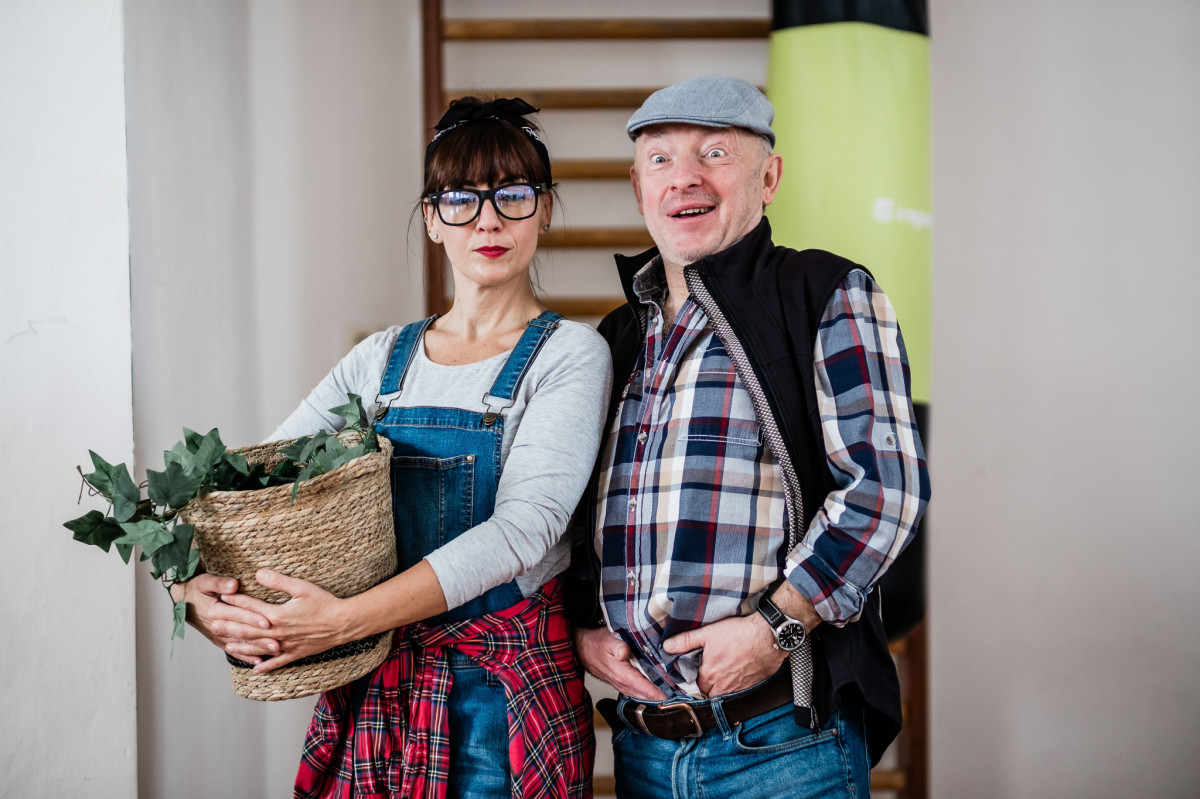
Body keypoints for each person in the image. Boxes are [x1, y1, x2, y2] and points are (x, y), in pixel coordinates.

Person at [175, 96, 612, 799]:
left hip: (497, 698)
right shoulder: (381, 359)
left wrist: (344, 620)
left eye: (513, 194)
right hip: (375, 682)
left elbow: (524, 530)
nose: (489, 220)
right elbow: (254, 490)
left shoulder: (569, 354)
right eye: (461, 199)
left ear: (546, 209)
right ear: (433, 219)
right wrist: (194, 591)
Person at [568, 75, 931, 798]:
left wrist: (776, 628)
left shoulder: (825, 292)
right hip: (642, 751)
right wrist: (582, 628)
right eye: (661, 159)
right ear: (639, 188)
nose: (685, 177)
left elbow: (885, 491)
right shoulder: (615, 337)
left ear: (769, 178)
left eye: (715, 153)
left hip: (783, 746)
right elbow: (575, 516)